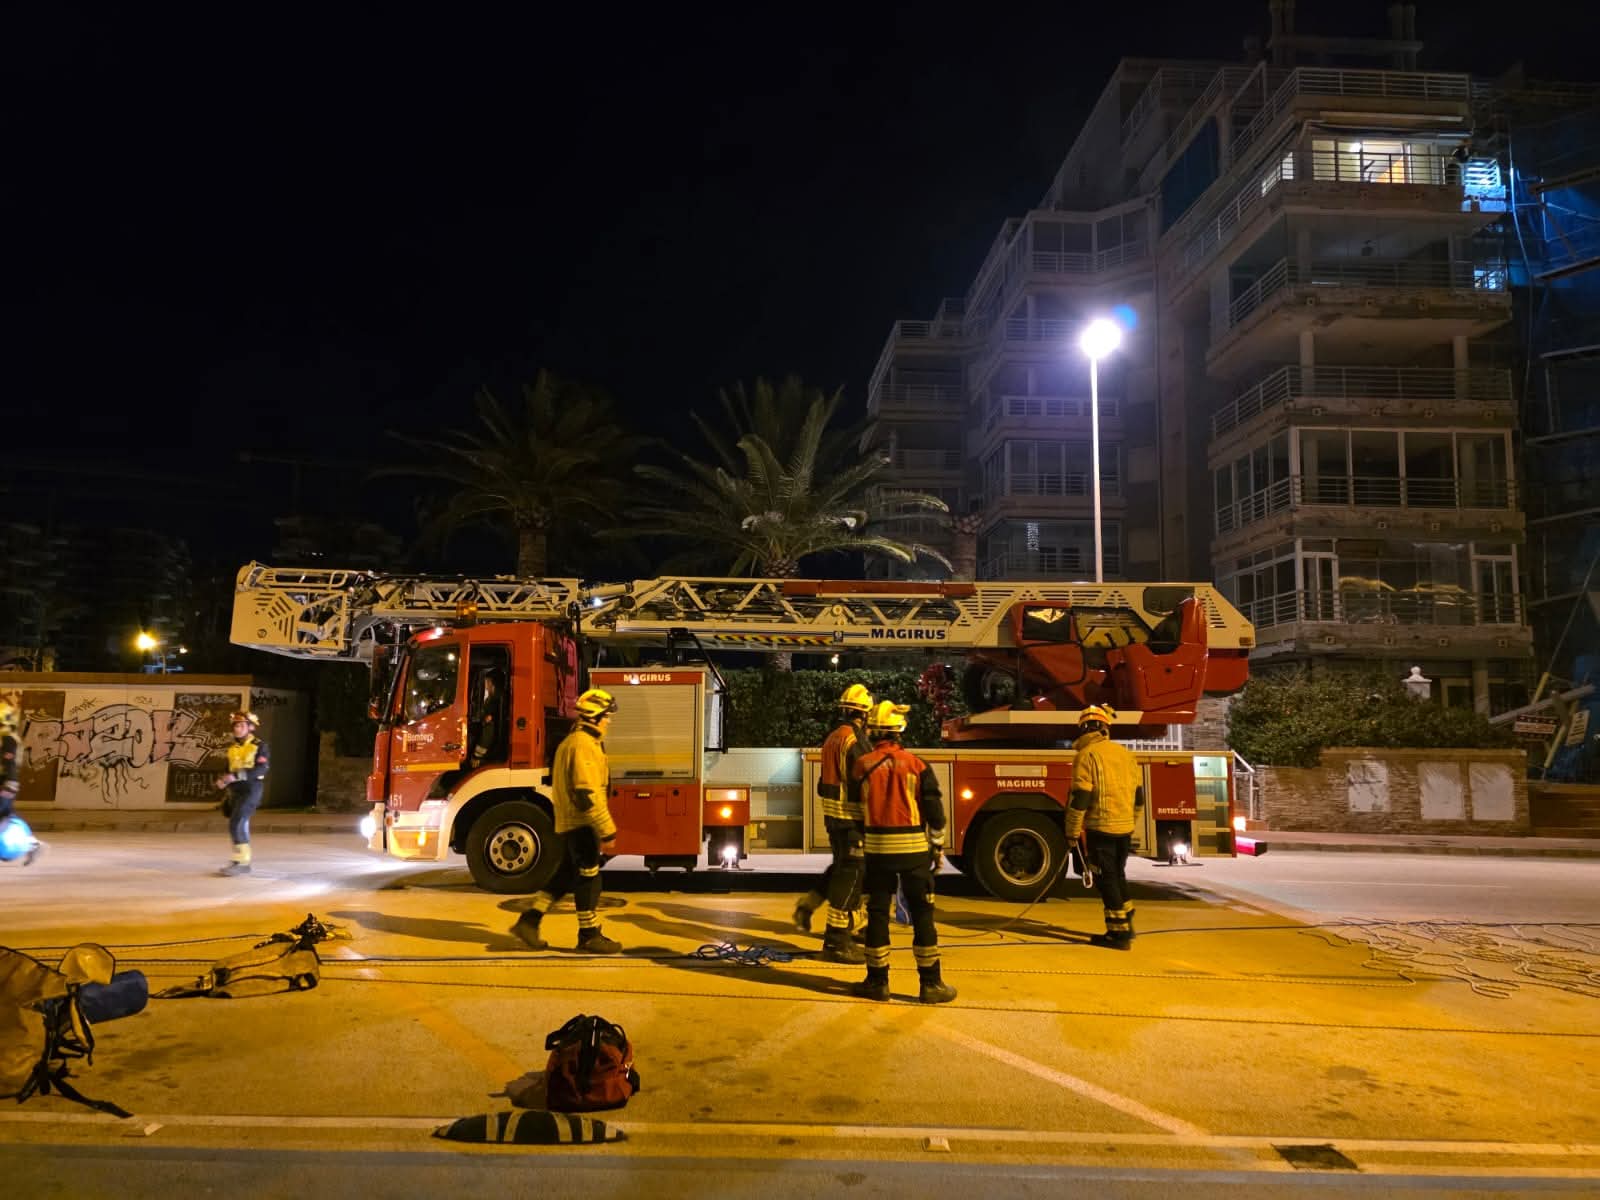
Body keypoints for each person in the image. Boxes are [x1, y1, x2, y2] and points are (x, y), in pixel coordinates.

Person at [849, 700, 956, 1004]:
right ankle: (931, 984)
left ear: (874, 731)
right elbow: (935, 812)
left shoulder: (862, 766)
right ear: (899, 731)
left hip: (877, 852)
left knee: (877, 914)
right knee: (922, 915)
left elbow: (855, 812)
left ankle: (877, 982)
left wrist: (862, 841)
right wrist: (937, 846)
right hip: (914, 853)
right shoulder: (918, 765)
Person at [510, 687, 623, 954]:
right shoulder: (582, 745)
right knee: (590, 877)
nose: (609, 721)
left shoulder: (580, 741)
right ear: (594, 716)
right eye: (607, 716)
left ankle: (529, 921)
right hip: (582, 822)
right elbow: (586, 793)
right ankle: (589, 935)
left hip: (574, 820)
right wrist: (607, 830)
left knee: (565, 877)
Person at [792, 683, 872, 964]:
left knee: (842, 870)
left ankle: (810, 906)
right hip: (852, 822)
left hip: (834, 819)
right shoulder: (856, 741)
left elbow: (823, 783)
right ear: (864, 714)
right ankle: (837, 942)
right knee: (850, 877)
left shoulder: (833, 737)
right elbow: (866, 782)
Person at [1064, 704, 1145, 949]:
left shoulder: (1086, 755)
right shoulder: (1125, 754)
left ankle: (1118, 935)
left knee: (1106, 880)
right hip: (1124, 829)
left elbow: (1081, 798)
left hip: (1101, 829)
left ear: (1083, 729)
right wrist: (1131, 822)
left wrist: (1071, 831)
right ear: (1105, 728)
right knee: (1118, 875)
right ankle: (1127, 921)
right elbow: (1139, 797)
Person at [215, 710, 269, 877]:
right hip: (235, 791)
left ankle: (242, 862)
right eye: (235, 726)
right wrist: (223, 780)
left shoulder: (260, 746)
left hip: (251, 789)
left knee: (237, 823)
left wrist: (236, 776)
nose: (237, 729)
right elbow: (228, 769)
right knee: (239, 824)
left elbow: (262, 769)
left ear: (250, 727)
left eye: (241, 725)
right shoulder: (233, 748)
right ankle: (240, 860)